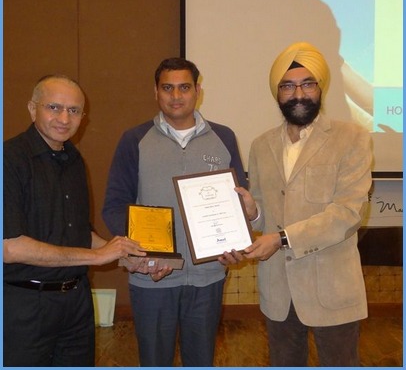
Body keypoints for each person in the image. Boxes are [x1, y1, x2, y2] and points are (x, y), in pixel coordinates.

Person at [220, 42, 372, 366]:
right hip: (279, 292)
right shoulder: (261, 145)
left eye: (307, 84)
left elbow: (347, 214)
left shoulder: (352, 138)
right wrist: (253, 212)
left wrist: (282, 239)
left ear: (321, 88)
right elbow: (264, 212)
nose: (298, 94)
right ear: (277, 93)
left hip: (332, 289)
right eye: (287, 86)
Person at [102, 57, 248, 366]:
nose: (176, 96)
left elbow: (239, 203)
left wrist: (235, 243)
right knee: (154, 361)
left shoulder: (224, 137)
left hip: (207, 277)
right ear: (156, 92)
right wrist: (143, 254)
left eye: (184, 87)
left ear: (198, 91)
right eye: (167, 88)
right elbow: (114, 206)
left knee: (201, 360)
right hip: (152, 278)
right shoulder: (134, 139)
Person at [3, 74, 153, 367]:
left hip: (76, 305)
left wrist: (123, 255)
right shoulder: (8, 160)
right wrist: (97, 256)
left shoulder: (73, 160)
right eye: (54, 107)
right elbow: (10, 247)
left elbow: (80, 233)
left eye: (73, 110)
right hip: (24, 306)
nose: (64, 118)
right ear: (32, 109)